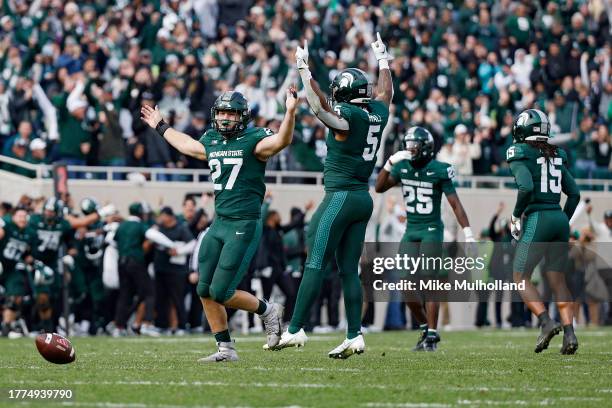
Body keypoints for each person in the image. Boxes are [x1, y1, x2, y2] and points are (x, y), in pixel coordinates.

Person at [140, 87, 298, 362]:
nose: (225, 118)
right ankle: (225, 349)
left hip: (244, 223)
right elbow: (188, 145)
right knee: (204, 289)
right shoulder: (211, 139)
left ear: (242, 117)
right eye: (222, 112)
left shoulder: (254, 139)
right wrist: (161, 126)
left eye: (231, 113)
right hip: (219, 223)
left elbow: (281, 141)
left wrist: (291, 113)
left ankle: (268, 310)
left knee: (222, 291)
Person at [273, 33, 392, 359]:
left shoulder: (348, 117)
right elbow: (386, 93)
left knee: (315, 262)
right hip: (363, 198)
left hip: (339, 196)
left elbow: (319, 105)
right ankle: (354, 335)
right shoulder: (377, 113)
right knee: (348, 270)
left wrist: (303, 68)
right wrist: (383, 60)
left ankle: (295, 329)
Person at [375, 126, 476, 351]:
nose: (410, 149)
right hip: (411, 231)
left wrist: (468, 233)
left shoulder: (439, 169)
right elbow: (379, 187)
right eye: (408, 145)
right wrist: (390, 162)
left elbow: (455, 204)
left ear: (426, 148)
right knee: (405, 284)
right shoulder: (402, 167)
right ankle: (424, 327)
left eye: (414, 145)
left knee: (430, 282)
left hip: (431, 229)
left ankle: (432, 333)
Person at [506, 108, 581, 354]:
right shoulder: (557, 153)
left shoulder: (520, 152)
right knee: (557, 279)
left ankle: (545, 321)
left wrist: (516, 215)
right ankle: (570, 334)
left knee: (520, 276)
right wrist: (562, 221)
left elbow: (526, 187)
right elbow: (574, 194)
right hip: (559, 218)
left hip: (538, 216)